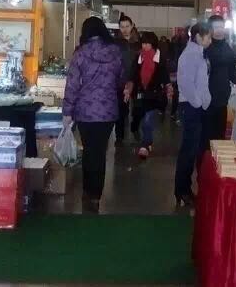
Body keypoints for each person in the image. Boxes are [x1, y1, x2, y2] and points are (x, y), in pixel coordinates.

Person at [62, 17, 124, 211]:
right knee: (100, 151)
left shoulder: (80, 53)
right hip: (108, 111)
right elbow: (120, 79)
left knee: (89, 150)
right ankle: (96, 194)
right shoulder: (115, 52)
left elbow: (72, 85)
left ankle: (87, 192)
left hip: (85, 111)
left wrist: (67, 111)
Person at [174, 22, 212, 206]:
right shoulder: (190, 55)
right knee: (188, 151)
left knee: (191, 149)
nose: (210, 40)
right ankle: (182, 190)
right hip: (190, 106)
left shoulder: (198, 53)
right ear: (198, 36)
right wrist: (198, 102)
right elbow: (186, 84)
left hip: (195, 106)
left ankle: (184, 189)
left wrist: (204, 100)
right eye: (208, 37)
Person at [130, 31, 173, 159]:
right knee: (140, 118)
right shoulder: (138, 58)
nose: (145, 46)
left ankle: (145, 145)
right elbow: (133, 74)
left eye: (148, 43)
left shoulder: (160, 58)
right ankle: (146, 141)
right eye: (143, 43)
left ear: (153, 44)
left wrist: (168, 87)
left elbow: (165, 75)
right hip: (140, 94)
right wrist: (129, 87)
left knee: (148, 120)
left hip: (154, 95)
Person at [203, 15, 236, 149]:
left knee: (220, 135)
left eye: (221, 27)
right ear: (210, 29)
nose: (219, 30)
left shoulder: (227, 47)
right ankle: (205, 159)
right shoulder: (205, 48)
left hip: (222, 98)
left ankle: (216, 159)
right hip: (206, 98)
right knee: (206, 136)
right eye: (216, 27)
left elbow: (231, 69)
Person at [115, 13, 139, 144]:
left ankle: (135, 129)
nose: (124, 29)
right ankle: (119, 136)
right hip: (120, 81)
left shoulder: (138, 43)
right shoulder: (115, 43)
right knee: (121, 110)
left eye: (127, 26)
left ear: (132, 26)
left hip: (137, 81)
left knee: (138, 108)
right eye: (122, 27)